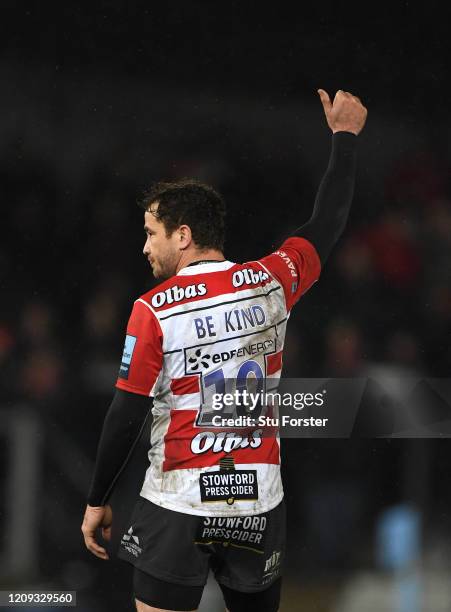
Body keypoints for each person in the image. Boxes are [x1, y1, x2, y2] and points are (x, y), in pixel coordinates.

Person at [81, 89, 367, 612]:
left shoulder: (154, 309)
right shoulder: (270, 282)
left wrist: (97, 499)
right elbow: (327, 222)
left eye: (151, 233)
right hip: (257, 501)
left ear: (183, 236)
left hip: (179, 500)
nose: (144, 247)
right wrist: (344, 138)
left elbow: (125, 413)